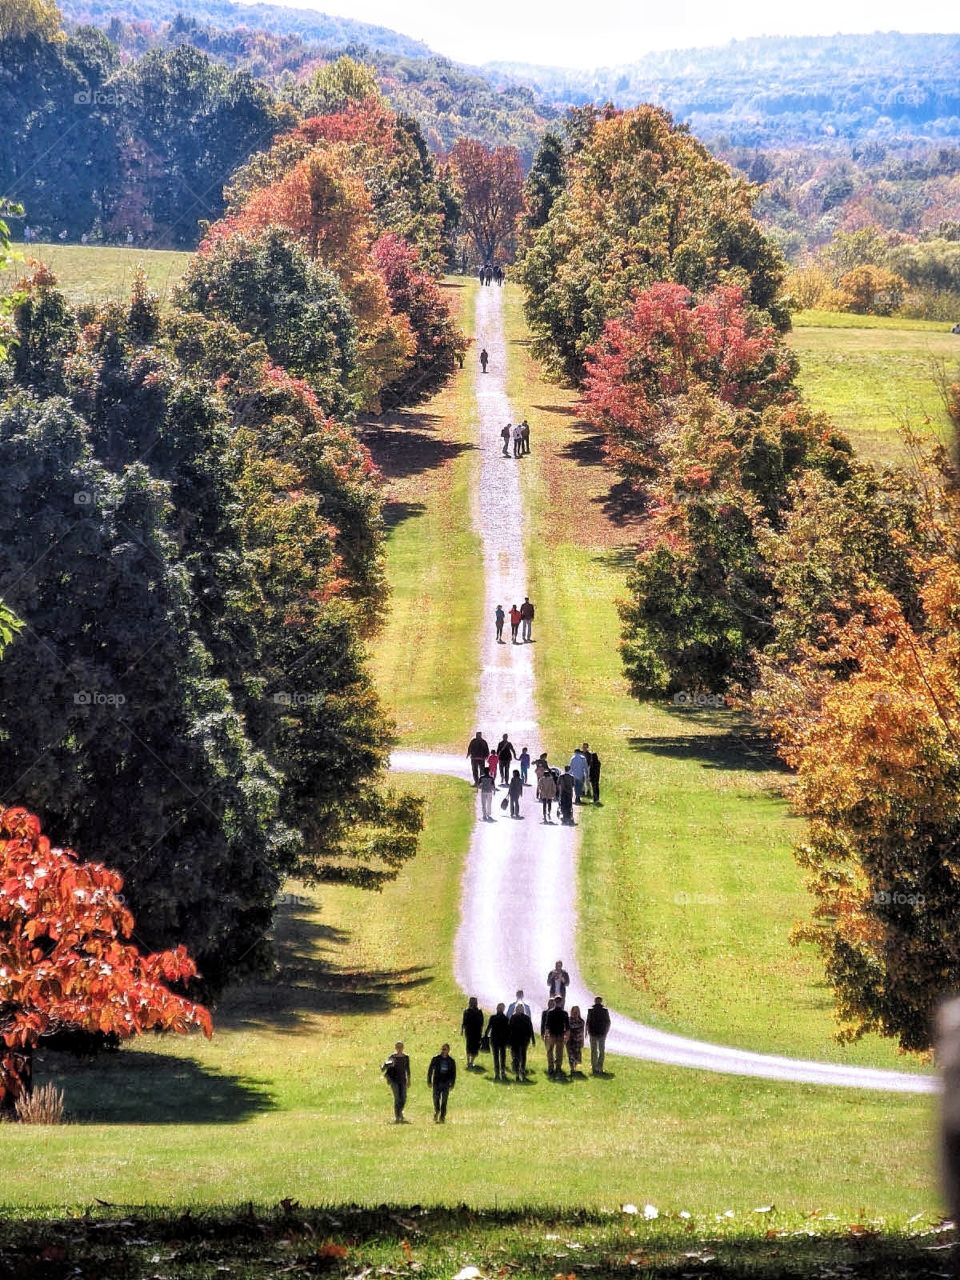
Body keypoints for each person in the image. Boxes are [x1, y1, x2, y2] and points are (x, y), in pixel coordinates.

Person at [382, 1041, 411, 1123]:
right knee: (397, 1098)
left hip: (403, 1080)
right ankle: (397, 1116)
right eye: (398, 1047)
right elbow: (385, 1068)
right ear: (395, 1048)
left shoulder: (406, 1057)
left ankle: (400, 1112)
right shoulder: (392, 1057)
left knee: (403, 1098)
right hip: (394, 1081)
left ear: (403, 1047)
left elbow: (408, 1069)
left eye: (401, 1047)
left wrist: (409, 1080)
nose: (399, 1048)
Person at [427, 1043, 456, 1122]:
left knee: (444, 1100)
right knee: (436, 1098)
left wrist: (452, 1084)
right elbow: (430, 1070)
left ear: (448, 1050)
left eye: (445, 1049)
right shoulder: (436, 1059)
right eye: (442, 1049)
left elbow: (453, 1073)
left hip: (446, 1082)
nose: (443, 1051)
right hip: (437, 1082)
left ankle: (442, 1116)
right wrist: (429, 1080)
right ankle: (437, 1111)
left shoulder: (451, 1061)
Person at [508, 1003, 535, 1080]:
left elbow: (530, 1029)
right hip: (514, 1040)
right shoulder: (513, 1017)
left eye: (521, 1009)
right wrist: (508, 1041)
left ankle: (522, 1071)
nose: (519, 1010)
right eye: (518, 1008)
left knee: (523, 1056)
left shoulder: (527, 1018)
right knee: (516, 1057)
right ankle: (517, 1073)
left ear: (523, 1010)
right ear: (516, 1009)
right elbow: (509, 1029)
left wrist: (533, 1039)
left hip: (524, 1040)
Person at [544, 999, 570, 1077]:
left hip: (554, 1034)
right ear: (561, 1002)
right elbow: (567, 1026)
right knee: (558, 1052)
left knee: (551, 1051)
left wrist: (546, 1035)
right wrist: (567, 1036)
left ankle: (552, 1067)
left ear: (555, 1002)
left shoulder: (551, 1012)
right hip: (558, 1034)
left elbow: (547, 1025)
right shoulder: (564, 1013)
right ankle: (557, 1068)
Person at [486, 1002, 510, 1081]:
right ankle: (501, 1072)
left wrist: (485, 1036)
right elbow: (508, 1031)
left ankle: (498, 1073)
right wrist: (508, 1041)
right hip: (501, 1040)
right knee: (501, 1057)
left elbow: (489, 1027)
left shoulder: (493, 1017)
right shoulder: (505, 1019)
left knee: (497, 1057)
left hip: (495, 1040)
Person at [587, 997, 611, 1075]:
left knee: (594, 1051)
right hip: (601, 1033)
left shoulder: (591, 1010)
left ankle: (595, 1067)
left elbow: (588, 1022)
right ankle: (599, 1067)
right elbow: (608, 1022)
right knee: (601, 1050)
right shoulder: (604, 1011)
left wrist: (588, 1031)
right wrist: (606, 1031)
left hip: (594, 1033)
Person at [461, 997, 485, 1068]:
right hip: (477, 1032)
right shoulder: (479, 1012)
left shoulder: (466, 1011)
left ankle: (468, 1062)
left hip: (469, 1032)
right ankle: (471, 1062)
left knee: (468, 1046)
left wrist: (462, 1030)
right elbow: (481, 1023)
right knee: (475, 1047)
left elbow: (464, 1022)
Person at [567, 1005, 585, 1074]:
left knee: (577, 1055)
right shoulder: (568, 1020)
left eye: (576, 1012)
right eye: (574, 1012)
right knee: (571, 1055)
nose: (575, 1013)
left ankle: (575, 1067)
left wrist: (582, 1041)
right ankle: (572, 1069)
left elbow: (582, 1031)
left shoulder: (581, 1021)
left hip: (578, 1040)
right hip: (570, 1040)